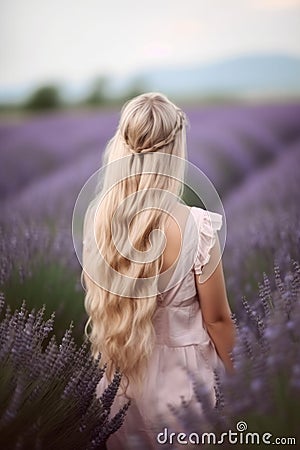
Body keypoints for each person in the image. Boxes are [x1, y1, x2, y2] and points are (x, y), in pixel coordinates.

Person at [81, 92, 235, 449]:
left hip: (123, 384)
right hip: (185, 386)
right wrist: (245, 381)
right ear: (174, 153)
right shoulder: (197, 226)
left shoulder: (100, 220)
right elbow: (217, 320)